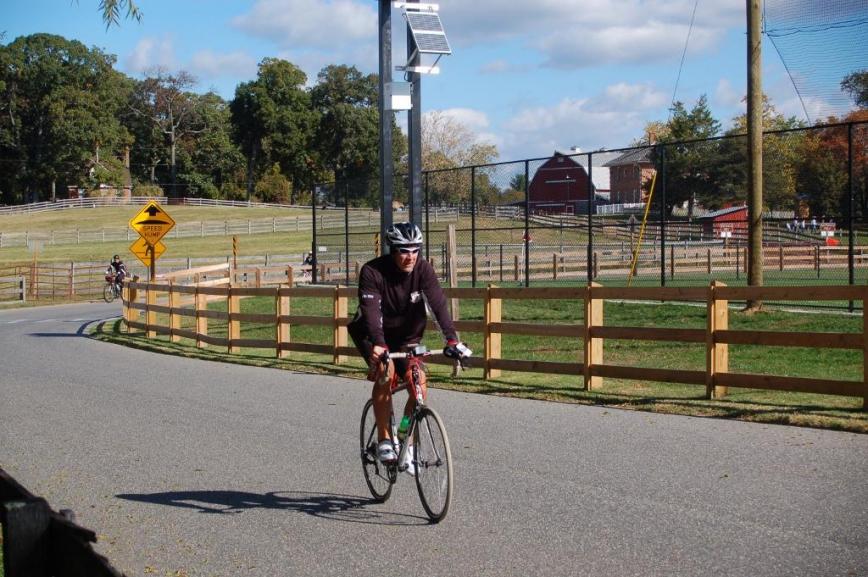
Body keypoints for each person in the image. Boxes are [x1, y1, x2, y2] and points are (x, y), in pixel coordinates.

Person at [347, 222, 470, 468]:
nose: (410, 257)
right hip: (374, 335)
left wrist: (452, 340)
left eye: (415, 250)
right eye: (404, 251)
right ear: (392, 250)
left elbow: (438, 306)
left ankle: (404, 434)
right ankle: (383, 439)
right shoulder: (373, 272)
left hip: (407, 337)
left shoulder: (423, 270)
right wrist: (379, 345)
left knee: (419, 381)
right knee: (386, 371)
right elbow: (371, 312)